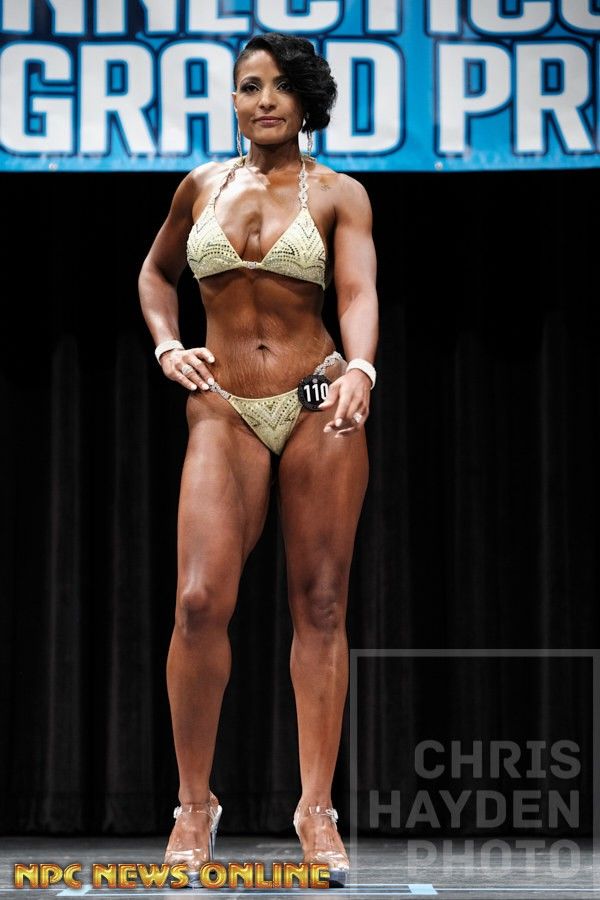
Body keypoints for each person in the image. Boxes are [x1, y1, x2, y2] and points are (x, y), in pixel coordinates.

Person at [138, 32, 378, 888]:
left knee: (320, 604)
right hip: (224, 408)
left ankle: (316, 811)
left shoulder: (340, 194)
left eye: (280, 86)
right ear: (234, 100)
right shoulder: (200, 186)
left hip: (316, 399)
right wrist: (168, 345)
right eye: (248, 86)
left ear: (307, 101)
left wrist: (362, 367)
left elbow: (357, 290)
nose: (264, 100)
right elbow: (155, 275)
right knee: (199, 601)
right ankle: (193, 806)